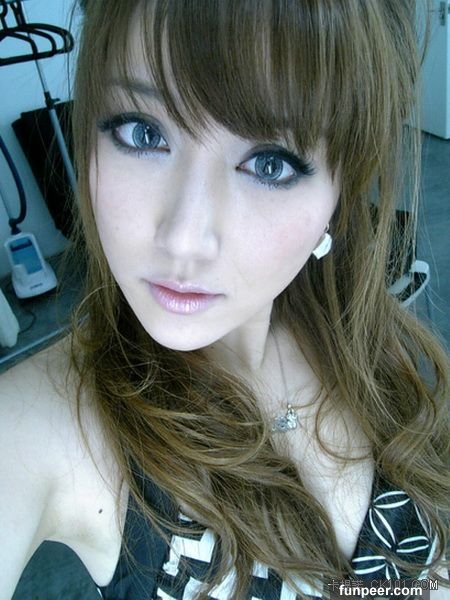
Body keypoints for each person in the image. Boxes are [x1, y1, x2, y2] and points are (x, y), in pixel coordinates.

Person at [1, 0, 449, 598]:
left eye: (270, 163)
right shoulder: (41, 425)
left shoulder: (368, 340)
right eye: (143, 133)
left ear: (338, 194)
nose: (185, 237)